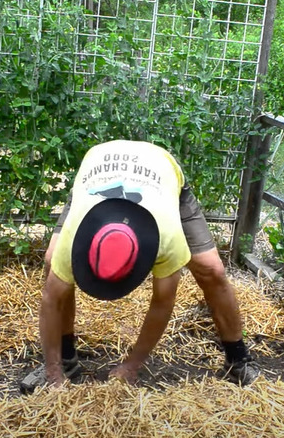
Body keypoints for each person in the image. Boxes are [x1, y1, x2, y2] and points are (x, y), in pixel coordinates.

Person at [19, 140, 260, 393]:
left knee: (211, 269)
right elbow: (50, 300)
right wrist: (52, 374)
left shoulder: (167, 238)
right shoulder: (72, 241)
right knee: (51, 261)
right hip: (99, 164)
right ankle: (65, 361)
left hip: (160, 171)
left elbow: (162, 302)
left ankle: (238, 359)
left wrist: (132, 365)